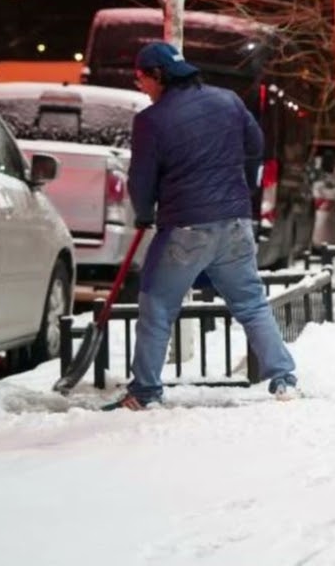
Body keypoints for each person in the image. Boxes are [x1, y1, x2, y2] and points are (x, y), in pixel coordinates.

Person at [103, 41, 298, 410]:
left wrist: (144, 212)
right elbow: (255, 144)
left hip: (186, 227)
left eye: (141, 77)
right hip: (236, 222)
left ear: (158, 75)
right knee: (251, 303)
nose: (140, 85)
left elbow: (141, 178)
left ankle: (144, 391)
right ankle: (283, 379)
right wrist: (231, 176)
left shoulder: (151, 121)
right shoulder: (228, 100)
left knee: (157, 306)